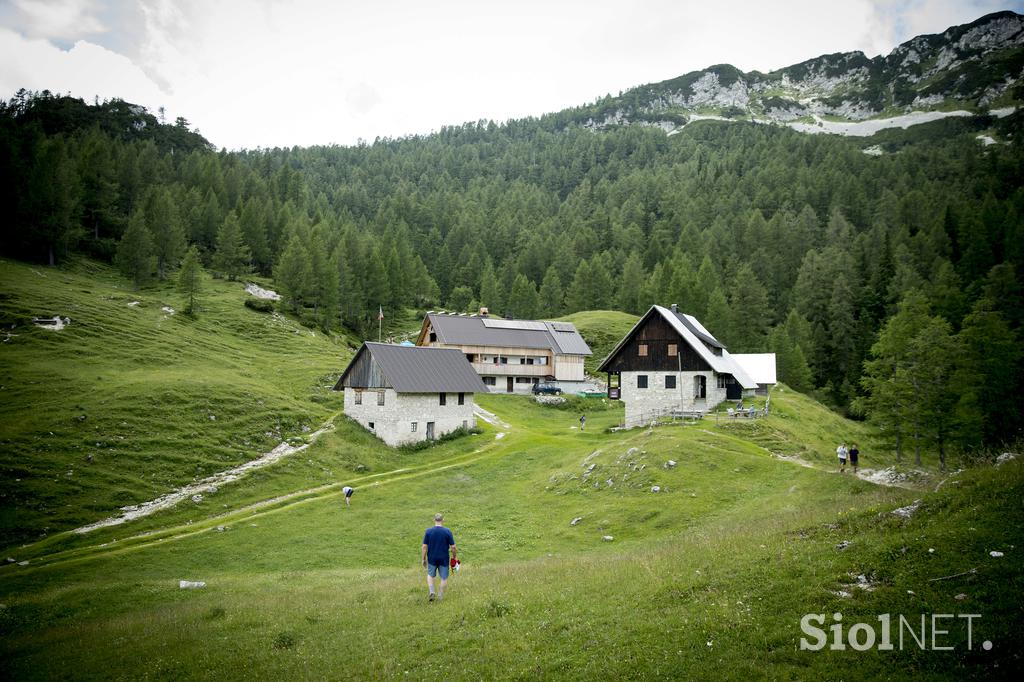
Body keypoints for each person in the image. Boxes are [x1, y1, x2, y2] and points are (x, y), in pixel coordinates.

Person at [422, 513, 457, 602]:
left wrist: (423, 559)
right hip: (444, 558)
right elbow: (453, 547)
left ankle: (432, 592)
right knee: (444, 577)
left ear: (434, 520)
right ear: (443, 520)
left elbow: (424, 546)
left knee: (430, 575)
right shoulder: (447, 531)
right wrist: (455, 557)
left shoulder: (428, 531)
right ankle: (440, 597)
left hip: (432, 558)